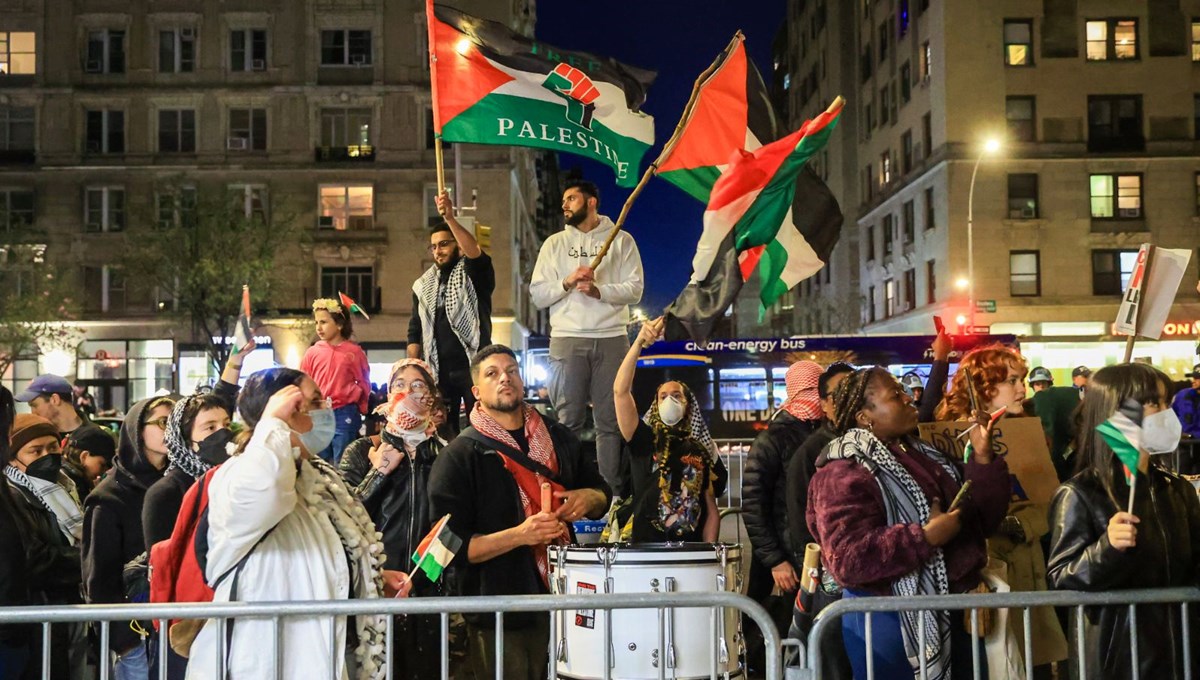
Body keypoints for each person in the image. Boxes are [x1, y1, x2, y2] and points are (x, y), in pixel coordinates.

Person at [185, 367, 407, 680]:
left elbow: (319, 550)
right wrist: (273, 424)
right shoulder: (238, 474)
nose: (325, 410)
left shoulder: (318, 474)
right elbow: (266, 491)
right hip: (266, 662)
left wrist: (366, 576)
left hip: (327, 653)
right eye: (312, 402)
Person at [807, 367, 1010, 680]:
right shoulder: (841, 473)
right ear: (864, 417)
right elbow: (846, 559)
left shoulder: (924, 454)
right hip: (888, 625)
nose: (908, 398)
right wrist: (923, 538)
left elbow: (979, 521)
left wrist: (983, 460)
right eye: (895, 395)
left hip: (954, 613)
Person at [428, 344, 610, 680]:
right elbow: (448, 549)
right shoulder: (460, 456)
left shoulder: (558, 437)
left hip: (565, 598)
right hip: (499, 611)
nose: (504, 379)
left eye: (511, 370)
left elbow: (602, 493)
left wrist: (590, 497)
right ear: (476, 391)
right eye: (492, 374)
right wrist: (520, 535)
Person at [1047, 363, 1200, 679]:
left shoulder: (1177, 488)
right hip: (1120, 659)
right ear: (1118, 414)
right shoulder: (1079, 493)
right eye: (1154, 404)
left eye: (1166, 403)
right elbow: (1062, 576)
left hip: (1182, 652)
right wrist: (1107, 548)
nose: (1165, 414)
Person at [936, 346, 1067, 678]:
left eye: (1021, 379)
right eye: (1012, 380)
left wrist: (1024, 523)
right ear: (984, 386)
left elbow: (1050, 498)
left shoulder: (1029, 432)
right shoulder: (948, 438)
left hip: (1029, 566)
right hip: (986, 574)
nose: (1022, 388)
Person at [529, 179, 644, 493]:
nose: (564, 205)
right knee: (567, 420)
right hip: (566, 338)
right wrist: (566, 281)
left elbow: (635, 289)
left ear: (591, 202)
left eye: (571, 199)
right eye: (564, 200)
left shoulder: (620, 239)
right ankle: (566, 490)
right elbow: (538, 294)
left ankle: (611, 495)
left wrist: (600, 291)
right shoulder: (553, 244)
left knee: (611, 422)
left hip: (612, 337)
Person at [340, 358, 450, 680]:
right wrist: (378, 473)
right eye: (399, 385)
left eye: (419, 386)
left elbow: (455, 524)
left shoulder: (446, 454)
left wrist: (432, 577)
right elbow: (345, 518)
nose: (409, 393)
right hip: (376, 592)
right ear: (388, 395)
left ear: (432, 397)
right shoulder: (363, 450)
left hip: (431, 597)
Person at [82, 396, 173, 680]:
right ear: (136, 430)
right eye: (162, 422)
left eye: (175, 422)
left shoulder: (176, 484)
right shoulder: (108, 498)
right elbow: (98, 578)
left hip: (174, 630)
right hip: (136, 638)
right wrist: (125, 640)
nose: (171, 430)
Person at [612, 317, 721, 542]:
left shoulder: (700, 449)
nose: (670, 400)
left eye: (677, 395)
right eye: (663, 396)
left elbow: (711, 511)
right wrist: (638, 343)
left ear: (688, 404)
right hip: (646, 551)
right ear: (656, 405)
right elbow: (620, 392)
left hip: (688, 555)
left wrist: (709, 557)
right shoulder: (643, 439)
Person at [3, 411, 88, 680]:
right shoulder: (13, 496)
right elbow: (33, 557)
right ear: (13, 458)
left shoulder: (67, 486)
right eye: (35, 451)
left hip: (67, 607)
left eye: (52, 447)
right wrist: (87, 559)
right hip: (36, 613)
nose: (47, 457)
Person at [142, 347, 251, 552]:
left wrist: (235, 362)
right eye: (210, 428)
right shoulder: (166, 493)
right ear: (185, 440)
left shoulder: (231, 478)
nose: (222, 433)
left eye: (226, 425)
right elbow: (164, 566)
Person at [408, 190, 495, 435]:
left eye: (444, 244)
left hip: (474, 367)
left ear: (457, 245)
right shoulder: (422, 286)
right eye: (433, 246)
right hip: (439, 372)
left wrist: (450, 219)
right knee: (442, 431)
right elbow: (415, 329)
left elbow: (475, 251)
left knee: (481, 428)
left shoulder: (474, 274)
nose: (438, 250)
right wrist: (413, 367)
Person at [302, 298, 371, 464]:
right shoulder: (312, 352)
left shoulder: (354, 352)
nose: (318, 327)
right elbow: (304, 380)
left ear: (339, 324)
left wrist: (362, 406)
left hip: (345, 411)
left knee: (344, 460)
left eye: (324, 322)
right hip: (318, 412)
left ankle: (344, 489)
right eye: (316, 322)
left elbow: (363, 380)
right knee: (319, 460)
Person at [1029, 367, 1083, 481]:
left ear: (1050, 383)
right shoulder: (1029, 407)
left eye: (1044, 383)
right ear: (1032, 386)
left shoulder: (1060, 401)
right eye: (1037, 384)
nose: (1041, 386)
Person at [15, 374, 88, 439]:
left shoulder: (95, 437)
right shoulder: (35, 437)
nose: (32, 413)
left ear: (55, 400)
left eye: (34, 405)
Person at [62, 424, 117, 498]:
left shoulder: (77, 481)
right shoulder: (70, 485)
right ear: (84, 456)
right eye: (102, 465)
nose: (105, 471)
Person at [1170, 363, 1200, 439]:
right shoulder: (1182, 395)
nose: (1193, 381)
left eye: (1197, 378)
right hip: (1183, 446)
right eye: (1193, 378)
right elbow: (1171, 416)